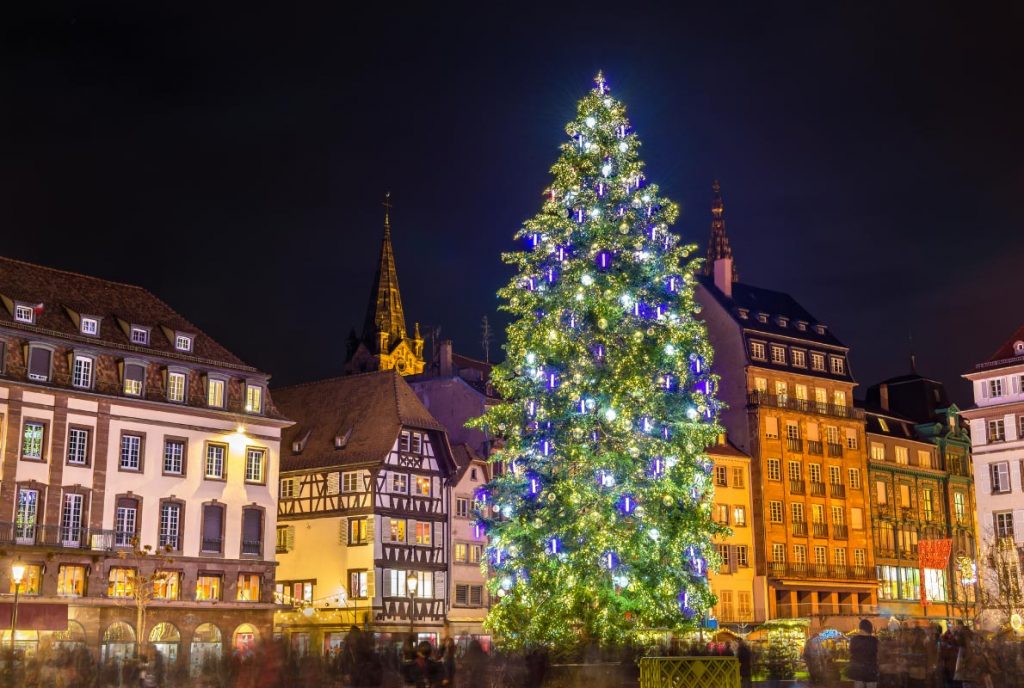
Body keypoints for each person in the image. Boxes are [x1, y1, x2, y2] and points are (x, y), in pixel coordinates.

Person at [848, 618, 880, 688]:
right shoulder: (874, 640)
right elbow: (878, 654)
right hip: (870, 670)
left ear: (860, 628)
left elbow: (851, 652)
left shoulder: (854, 640)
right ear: (869, 628)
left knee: (858, 684)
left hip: (858, 670)